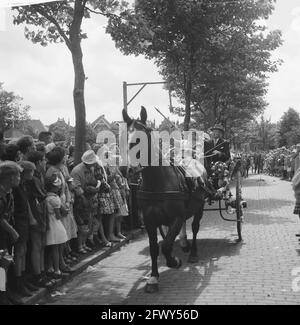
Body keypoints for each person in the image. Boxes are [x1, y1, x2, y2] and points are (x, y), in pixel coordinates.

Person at [0, 162, 22, 305]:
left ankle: (5, 293)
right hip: (2, 235)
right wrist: (12, 231)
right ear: (9, 178)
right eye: (18, 175)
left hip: (5, 236)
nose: (19, 178)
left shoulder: (9, 192)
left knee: (6, 264)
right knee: (2, 266)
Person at [44, 174, 68, 279]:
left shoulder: (46, 197)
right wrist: (65, 211)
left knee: (52, 248)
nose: (59, 187)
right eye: (57, 186)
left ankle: (50, 267)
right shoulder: (54, 199)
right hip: (55, 223)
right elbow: (58, 215)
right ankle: (57, 270)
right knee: (57, 248)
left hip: (50, 223)